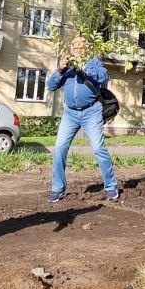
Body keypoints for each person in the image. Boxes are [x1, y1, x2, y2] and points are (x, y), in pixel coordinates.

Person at [46, 35, 118, 203]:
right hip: (70, 114)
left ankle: (111, 186)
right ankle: (58, 188)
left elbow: (103, 77)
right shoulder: (67, 64)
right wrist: (60, 70)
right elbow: (51, 85)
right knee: (59, 149)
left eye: (81, 45)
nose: (77, 48)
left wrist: (84, 66)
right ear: (71, 48)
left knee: (99, 149)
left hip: (91, 111)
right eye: (74, 45)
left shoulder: (93, 62)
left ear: (86, 49)